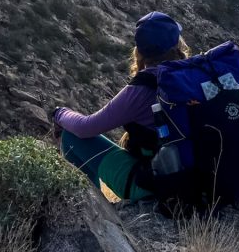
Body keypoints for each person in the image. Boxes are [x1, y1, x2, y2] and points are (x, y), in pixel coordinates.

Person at [52, 11, 187, 201]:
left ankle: (90, 213)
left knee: (71, 135)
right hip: (194, 177)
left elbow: (85, 128)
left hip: (154, 185)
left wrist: (59, 113)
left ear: (139, 51)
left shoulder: (142, 88)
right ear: (177, 45)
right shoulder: (192, 78)